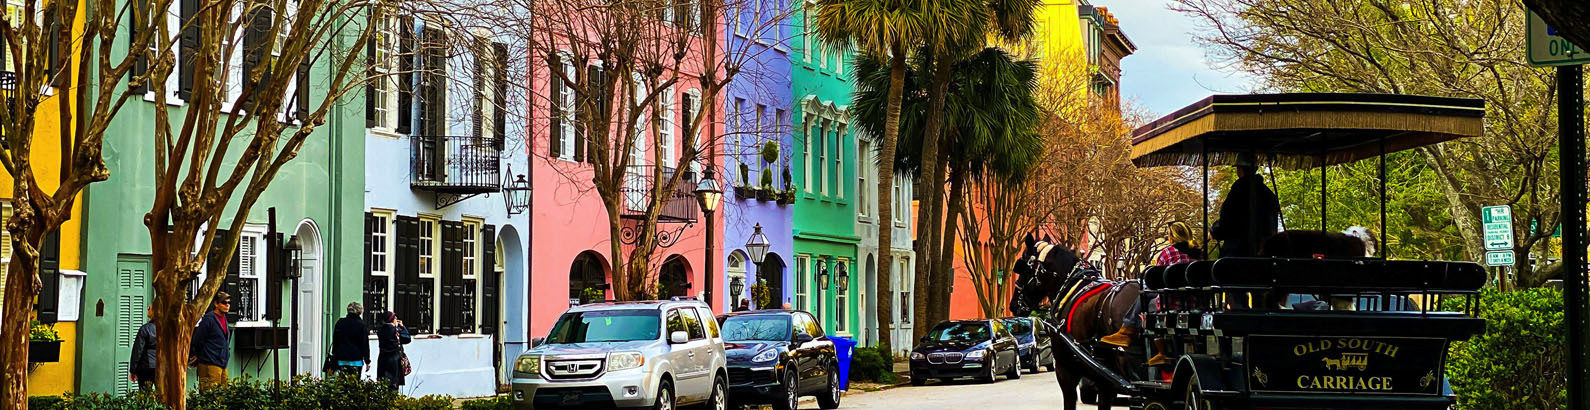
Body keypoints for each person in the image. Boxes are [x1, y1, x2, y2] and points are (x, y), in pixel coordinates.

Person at [1102, 222, 1202, 365]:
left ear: (1172, 238)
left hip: (1171, 304)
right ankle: (1127, 330)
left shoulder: (1168, 252)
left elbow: (1154, 280)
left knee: (1145, 299)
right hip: (1193, 304)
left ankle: (1128, 331)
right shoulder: (1198, 255)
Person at [1211, 155, 1281, 258]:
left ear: (1239, 169)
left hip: (1238, 255)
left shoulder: (1238, 191)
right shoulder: (1268, 194)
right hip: (1265, 255)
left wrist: (1214, 230)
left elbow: (1227, 225)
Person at [190, 291, 232, 389]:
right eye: (224, 303)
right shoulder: (209, 319)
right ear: (216, 304)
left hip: (222, 362)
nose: (227, 305)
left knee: (224, 394)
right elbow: (199, 339)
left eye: (228, 303)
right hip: (210, 362)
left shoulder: (224, 319)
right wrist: (199, 354)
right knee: (211, 394)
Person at [330, 302, 371, 377]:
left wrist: (334, 355)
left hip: (341, 358)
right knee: (354, 384)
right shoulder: (361, 325)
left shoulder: (340, 323)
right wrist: (367, 360)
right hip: (356, 359)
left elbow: (335, 341)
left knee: (342, 383)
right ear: (360, 312)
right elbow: (364, 344)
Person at [375, 311, 412, 390]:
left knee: (384, 384)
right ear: (392, 320)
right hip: (394, 361)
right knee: (393, 385)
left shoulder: (380, 330)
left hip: (383, 360)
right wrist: (402, 327)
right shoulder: (396, 331)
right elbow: (407, 339)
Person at [129, 306, 158, 391]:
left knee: (145, 396)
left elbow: (137, 351)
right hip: (161, 366)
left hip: (146, 367)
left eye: (150, 308)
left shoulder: (145, 329)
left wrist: (133, 369)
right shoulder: (167, 329)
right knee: (162, 395)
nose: (148, 309)